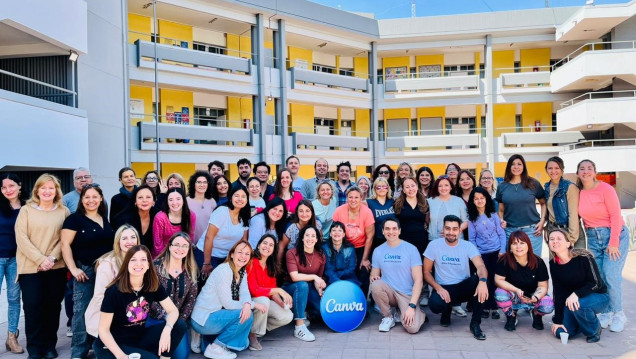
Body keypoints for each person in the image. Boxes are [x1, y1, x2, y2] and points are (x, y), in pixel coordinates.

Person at [93, 245, 187, 359]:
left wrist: (167, 329)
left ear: (148, 265)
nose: (138, 264)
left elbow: (173, 311)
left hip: (138, 339)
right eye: (133, 260)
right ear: (126, 264)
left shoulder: (152, 285)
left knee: (179, 325)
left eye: (143, 260)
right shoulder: (113, 292)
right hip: (114, 345)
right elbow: (103, 330)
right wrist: (121, 356)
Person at [15, 174, 70, 358]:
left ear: (57, 191)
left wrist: (51, 259)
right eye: (43, 188)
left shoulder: (63, 211)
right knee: (32, 308)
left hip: (56, 268)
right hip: (30, 269)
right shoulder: (26, 210)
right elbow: (21, 238)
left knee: (53, 307)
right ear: (36, 190)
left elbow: (65, 239)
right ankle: (34, 348)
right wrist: (40, 260)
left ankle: (49, 346)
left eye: (51, 188)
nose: (47, 191)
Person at [61, 184, 115, 359]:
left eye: (94, 197)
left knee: (102, 309)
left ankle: (97, 344)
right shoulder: (74, 219)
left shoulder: (104, 218)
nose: (91, 200)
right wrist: (74, 268)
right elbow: (65, 245)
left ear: (100, 199)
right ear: (81, 200)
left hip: (105, 272)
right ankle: (78, 351)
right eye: (87, 197)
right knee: (82, 310)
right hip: (85, 271)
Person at [577, 159, 630, 332]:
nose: (586, 171)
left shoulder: (605, 189)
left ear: (595, 171)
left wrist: (613, 242)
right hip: (592, 236)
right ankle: (606, 312)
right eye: (582, 169)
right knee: (599, 277)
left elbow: (616, 215)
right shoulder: (578, 192)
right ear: (578, 173)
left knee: (611, 275)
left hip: (614, 235)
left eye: (589, 168)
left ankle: (619, 313)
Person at [191, 241, 267, 359]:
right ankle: (216, 347)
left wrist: (247, 303)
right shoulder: (224, 271)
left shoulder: (241, 271)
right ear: (232, 254)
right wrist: (251, 305)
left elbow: (245, 293)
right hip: (204, 318)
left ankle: (206, 341)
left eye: (247, 254)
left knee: (244, 343)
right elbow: (228, 304)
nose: (243, 256)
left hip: (216, 315)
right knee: (247, 316)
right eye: (240, 252)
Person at [423, 215, 489, 340]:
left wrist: (483, 281)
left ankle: (475, 324)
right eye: (448, 228)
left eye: (454, 229)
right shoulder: (434, 245)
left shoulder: (467, 245)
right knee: (435, 305)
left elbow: (480, 266)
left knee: (482, 281)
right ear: (443, 229)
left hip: (463, 287)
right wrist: (438, 288)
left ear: (460, 230)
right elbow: (426, 272)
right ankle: (446, 310)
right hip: (444, 288)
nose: (451, 232)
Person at [548, 229, 608, 343]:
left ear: (568, 243)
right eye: (552, 239)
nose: (555, 241)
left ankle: (594, 330)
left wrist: (576, 294)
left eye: (559, 239)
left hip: (598, 297)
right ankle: (582, 321)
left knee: (579, 305)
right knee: (561, 332)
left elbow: (597, 283)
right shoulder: (554, 264)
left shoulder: (583, 257)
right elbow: (558, 292)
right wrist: (557, 320)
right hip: (572, 302)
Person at [85, 225, 141, 339]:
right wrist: (120, 316)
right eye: (124, 238)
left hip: (133, 314)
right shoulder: (107, 264)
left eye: (132, 237)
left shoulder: (141, 261)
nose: (129, 241)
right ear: (118, 242)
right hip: (110, 316)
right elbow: (100, 296)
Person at [370, 218, 425, 333]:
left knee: (412, 328)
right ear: (383, 231)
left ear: (399, 231)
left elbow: (419, 281)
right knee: (375, 285)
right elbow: (374, 276)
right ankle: (388, 317)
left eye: (394, 229)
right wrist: (374, 278)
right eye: (387, 229)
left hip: (407, 294)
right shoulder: (378, 251)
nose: (391, 232)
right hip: (389, 292)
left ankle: (417, 313)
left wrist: (412, 306)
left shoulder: (411, 249)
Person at [150, 233, 199, 359]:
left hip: (177, 322)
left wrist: (179, 321)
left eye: (184, 246)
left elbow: (190, 301)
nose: (180, 249)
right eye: (176, 245)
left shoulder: (191, 271)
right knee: (156, 351)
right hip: (154, 318)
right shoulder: (155, 268)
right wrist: (166, 318)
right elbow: (149, 297)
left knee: (181, 356)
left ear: (188, 250)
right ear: (170, 247)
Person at [494, 231, 553, 331]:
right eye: (514, 243)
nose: (518, 247)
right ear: (510, 247)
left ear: (528, 245)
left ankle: (536, 314)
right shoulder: (504, 260)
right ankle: (511, 315)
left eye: (522, 243)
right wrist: (516, 290)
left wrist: (535, 297)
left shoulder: (538, 261)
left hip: (532, 295)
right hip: (514, 295)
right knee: (500, 294)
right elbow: (498, 280)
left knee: (548, 305)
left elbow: (543, 286)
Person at [246, 234, 293, 351]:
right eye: (265, 243)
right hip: (249, 301)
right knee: (263, 300)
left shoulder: (270, 266)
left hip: (263, 302)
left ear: (273, 250)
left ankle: (255, 331)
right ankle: (253, 334)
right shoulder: (251, 262)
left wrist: (281, 303)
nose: (267, 246)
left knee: (287, 316)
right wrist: (279, 290)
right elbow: (254, 290)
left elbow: (272, 289)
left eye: (271, 245)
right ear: (258, 245)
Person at [467, 187, 506, 320]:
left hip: (496, 252)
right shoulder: (471, 219)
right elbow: (472, 239)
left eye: (482, 198)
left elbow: (501, 234)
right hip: (482, 254)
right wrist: (477, 255)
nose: (479, 201)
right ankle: (483, 306)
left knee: (495, 279)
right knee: (484, 279)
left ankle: (494, 306)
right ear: (472, 201)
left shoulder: (494, 215)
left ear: (486, 199)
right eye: (476, 199)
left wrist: (502, 250)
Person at [282, 226, 326, 342]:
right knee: (302, 285)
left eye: (313, 236)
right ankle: (299, 326)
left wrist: (319, 289)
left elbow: (318, 278)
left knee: (321, 311)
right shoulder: (292, 253)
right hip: (291, 287)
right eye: (307, 235)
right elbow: (294, 277)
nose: (310, 238)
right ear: (302, 238)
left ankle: (305, 312)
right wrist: (314, 277)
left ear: (317, 239)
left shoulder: (321, 255)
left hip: (309, 287)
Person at [496, 154, 546, 254]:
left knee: (535, 263)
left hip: (532, 231)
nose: (516, 167)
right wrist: (501, 220)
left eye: (519, 164)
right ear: (509, 167)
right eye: (513, 164)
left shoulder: (533, 183)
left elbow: (543, 203)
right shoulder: (502, 187)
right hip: (510, 231)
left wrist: (542, 221)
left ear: (523, 166)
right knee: (514, 264)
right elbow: (501, 210)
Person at [198, 187, 250, 275]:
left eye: (243, 196)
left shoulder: (244, 216)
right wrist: (207, 263)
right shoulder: (222, 211)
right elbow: (209, 237)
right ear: (230, 198)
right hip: (209, 255)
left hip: (227, 258)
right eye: (236, 196)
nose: (240, 199)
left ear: (247, 200)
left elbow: (243, 241)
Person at [332, 187, 374, 295]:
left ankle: (362, 302)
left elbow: (370, 236)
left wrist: (364, 259)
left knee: (363, 270)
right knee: (344, 272)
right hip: (344, 246)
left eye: (356, 197)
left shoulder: (367, 212)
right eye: (350, 197)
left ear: (361, 198)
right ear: (346, 198)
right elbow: (335, 232)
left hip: (361, 246)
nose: (353, 200)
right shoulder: (339, 211)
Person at [0, 173, 25, 354]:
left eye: (11, 186)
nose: (8, 190)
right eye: (4, 187)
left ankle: (11, 338)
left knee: (14, 299)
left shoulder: (27, 208)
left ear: (19, 186)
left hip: (17, 259)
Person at [543, 157, 585, 249]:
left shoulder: (570, 187)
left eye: (557, 168)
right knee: (555, 263)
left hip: (569, 231)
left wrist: (571, 239)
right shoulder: (547, 187)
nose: (553, 171)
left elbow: (573, 214)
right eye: (550, 168)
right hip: (553, 231)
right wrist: (547, 228)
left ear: (562, 170)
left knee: (576, 263)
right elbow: (549, 211)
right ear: (546, 170)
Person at [112, 185, 159, 255]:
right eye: (140, 197)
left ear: (153, 201)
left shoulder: (157, 216)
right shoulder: (123, 219)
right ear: (135, 201)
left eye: (148, 197)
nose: (144, 200)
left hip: (151, 259)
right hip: (127, 257)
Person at [152, 188, 195, 257]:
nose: (174, 203)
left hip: (182, 253)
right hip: (163, 255)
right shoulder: (160, 217)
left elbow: (190, 238)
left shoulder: (190, 215)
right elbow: (158, 244)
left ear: (183, 200)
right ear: (167, 202)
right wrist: (169, 259)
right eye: (171, 200)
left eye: (178, 199)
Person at [394, 177, 429, 255]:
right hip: (403, 241)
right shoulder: (397, 204)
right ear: (403, 190)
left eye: (413, 186)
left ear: (417, 186)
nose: (411, 189)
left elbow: (428, 222)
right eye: (407, 187)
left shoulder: (424, 203)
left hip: (421, 241)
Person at [427, 176, 468, 242]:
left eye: (446, 185)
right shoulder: (430, 201)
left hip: (455, 240)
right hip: (434, 240)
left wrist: (452, 231)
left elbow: (466, 221)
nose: (443, 188)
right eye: (440, 186)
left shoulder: (458, 201)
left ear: (451, 187)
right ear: (437, 188)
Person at [186, 171, 217, 245]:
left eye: (205, 182)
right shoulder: (186, 201)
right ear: (194, 184)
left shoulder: (212, 202)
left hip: (208, 242)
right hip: (191, 243)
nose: (202, 185)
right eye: (199, 182)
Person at [367, 177, 395, 251]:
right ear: (374, 189)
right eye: (378, 187)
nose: (381, 189)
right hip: (377, 240)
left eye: (384, 187)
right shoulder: (368, 202)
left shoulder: (393, 201)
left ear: (388, 188)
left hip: (393, 238)